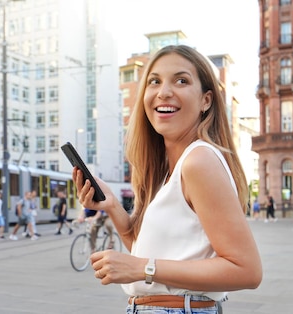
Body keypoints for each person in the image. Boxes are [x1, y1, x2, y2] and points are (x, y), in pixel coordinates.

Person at [73, 45, 262, 313]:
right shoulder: (169, 170)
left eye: (181, 80)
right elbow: (154, 253)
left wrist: (142, 268)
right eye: (155, 81)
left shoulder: (199, 161)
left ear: (206, 100)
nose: (163, 92)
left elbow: (247, 270)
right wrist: (112, 205)